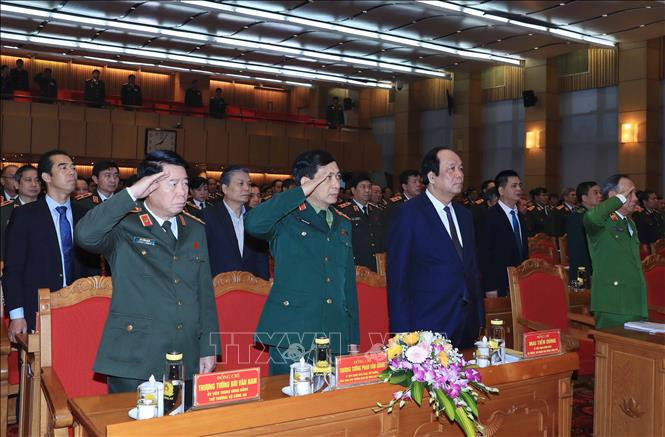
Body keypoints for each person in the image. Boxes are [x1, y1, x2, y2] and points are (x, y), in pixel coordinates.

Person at [74, 149, 220, 395]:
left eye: (185, 184)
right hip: (136, 355)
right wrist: (131, 194)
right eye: (173, 184)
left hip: (186, 353)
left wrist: (209, 347)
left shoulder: (194, 228)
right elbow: (85, 235)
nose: (182, 191)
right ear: (149, 186)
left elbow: (204, 292)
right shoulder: (124, 225)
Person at [245, 149, 359, 375]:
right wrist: (301, 191)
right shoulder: (286, 218)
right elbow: (254, 223)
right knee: (287, 394)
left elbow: (348, 287)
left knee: (332, 396)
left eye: (338, 177)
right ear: (307, 182)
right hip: (293, 331)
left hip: (334, 332)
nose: (336, 184)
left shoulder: (342, 224)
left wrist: (352, 339)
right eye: (327, 177)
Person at [387, 147, 483, 348]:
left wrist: (480, 317)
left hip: (467, 324)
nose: (459, 174)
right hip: (428, 325)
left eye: (461, 168)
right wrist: (403, 336)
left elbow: (472, 269)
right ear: (432, 177)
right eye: (451, 169)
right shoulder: (408, 214)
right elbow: (398, 278)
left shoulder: (465, 215)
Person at [4, 150, 100, 338]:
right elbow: (14, 269)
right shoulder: (25, 215)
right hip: (37, 307)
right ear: (46, 177)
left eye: (73, 168)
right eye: (63, 168)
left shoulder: (85, 215)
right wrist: (17, 315)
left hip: (79, 307)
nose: (72, 172)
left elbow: (92, 267)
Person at [584, 174, 647, 328]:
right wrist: (618, 199)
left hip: (635, 300)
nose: (635, 198)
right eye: (629, 193)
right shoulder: (602, 221)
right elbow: (591, 218)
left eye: (634, 193)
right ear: (613, 196)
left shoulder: (629, 223)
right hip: (613, 303)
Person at [202, 166, 269, 279]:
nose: (247, 188)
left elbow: (261, 257)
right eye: (241, 183)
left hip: (252, 284)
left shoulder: (255, 217)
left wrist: (264, 283)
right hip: (219, 284)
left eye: (249, 184)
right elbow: (202, 257)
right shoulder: (208, 216)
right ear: (225, 188)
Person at [478, 170, 529, 297]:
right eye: (514, 186)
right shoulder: (489, 217)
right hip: (498, 284)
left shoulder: (520, 217)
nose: (519, 189)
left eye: (520, 185)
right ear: (501, 190)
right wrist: (490, 287)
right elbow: (484, 255)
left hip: (520, 282)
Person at [338, 173, 386, 272]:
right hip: (356, 267)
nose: (367, 190)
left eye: (369, 187)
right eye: (363, 187)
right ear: (353, 190)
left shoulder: (377, 211)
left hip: (377, 267)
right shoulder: (344, 212)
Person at [1, 165, 41, 260]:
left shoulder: (49, 210)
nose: (34, 184)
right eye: (28, 180)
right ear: (16, 184)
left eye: (37, 180)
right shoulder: (4, 211)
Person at [567, 181, 602, 278]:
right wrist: (583, 274)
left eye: (600, 192)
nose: (600, 196)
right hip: (585, 268)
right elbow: (577, 250)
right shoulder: (577, 217)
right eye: (595, 193)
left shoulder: (601, 215)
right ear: (584, 198)